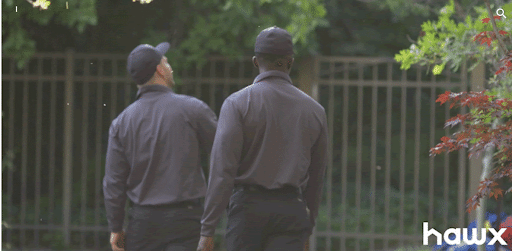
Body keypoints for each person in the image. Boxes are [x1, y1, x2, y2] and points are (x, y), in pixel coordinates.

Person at [197, 26, 329, 251]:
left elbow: (222, 171)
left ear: (256, 61)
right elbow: (316, 176)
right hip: (291, 210)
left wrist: (207, 229)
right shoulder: (314, 111)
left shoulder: (237, 104)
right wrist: (308, 226)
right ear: (290, 61)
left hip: (248, 211)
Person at [103, 42, 218, 251]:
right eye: (166, 62)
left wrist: (116, 227)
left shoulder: (121, 123)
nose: (170, 67)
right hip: (186, 220)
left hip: (143, 224)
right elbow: (225, 157)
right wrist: (211, 221)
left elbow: (114, 182)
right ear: (160, 70)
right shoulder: (192, 110)